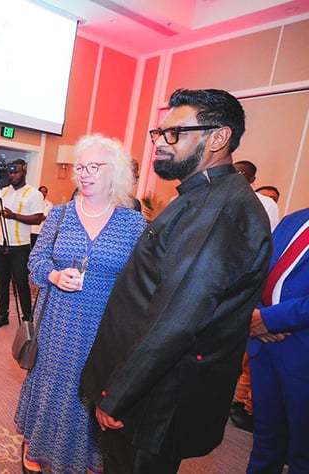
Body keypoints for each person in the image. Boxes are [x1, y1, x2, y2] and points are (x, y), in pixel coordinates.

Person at [79, 88, 273, 473]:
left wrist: (116, 394)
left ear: (218, 138)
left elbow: (177, 318)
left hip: (155, 398)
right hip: (152, 389)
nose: (161, 145)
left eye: (175, 134)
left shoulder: (220, 210)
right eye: (159, 134)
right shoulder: (201, 198)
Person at [16, 134, 147, 474]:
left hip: (104, 324)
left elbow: (142, 279)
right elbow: (36, 262)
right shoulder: (59, 215)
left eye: (94, 166)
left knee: (91, 390)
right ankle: (41, 446)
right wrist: (55, 276)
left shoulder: (133, 223)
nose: (85, 174)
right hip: (57, 321)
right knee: (54, 386)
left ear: (114, 172)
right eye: (80, 167)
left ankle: (87, 457)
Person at [246, 207, 309, 474]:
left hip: (302, 351)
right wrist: (252, 314)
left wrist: (271, 319)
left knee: (303, 452)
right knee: (265, 440)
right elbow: (257, 269)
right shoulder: (296, 219)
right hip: (266, 346)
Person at [230, 161, 280, 433]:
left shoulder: (265, 204)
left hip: (246, 281)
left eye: (243, 174)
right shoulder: (217, 194)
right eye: (235, 171)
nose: (238, 177)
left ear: (252, 178)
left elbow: (265, 247)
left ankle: (241, 402)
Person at [0, 159, 44, 328]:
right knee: (2, 283)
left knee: (20, 282)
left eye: (16, 172)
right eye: (10, 172)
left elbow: (38, 218)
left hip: (19, 246)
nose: (12, 175)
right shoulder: (4, 192)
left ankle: (27, 318)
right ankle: (2, 315)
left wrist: (14, 216)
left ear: (24, 172)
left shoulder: (34, 194)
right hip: (0, 243)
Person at [235, 160, 280, 231]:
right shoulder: (217, 195)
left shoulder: (268, 203)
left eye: (240, 173)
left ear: (252, 179)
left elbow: (270, 232)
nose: (234, 176)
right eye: (231, 172)